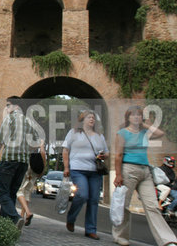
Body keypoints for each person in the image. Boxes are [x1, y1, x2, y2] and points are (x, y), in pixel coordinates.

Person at [113, 105, 177, 246]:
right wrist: (118, 174)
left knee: (153, 206)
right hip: (128, 170)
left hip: (145, 171)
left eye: (139, 115)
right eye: (133, 115)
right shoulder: (122, 133)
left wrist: (144, 125)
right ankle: (120, 236)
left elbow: (160, 133)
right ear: (128, 117)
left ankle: (167, 240)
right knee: (124, 204)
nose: (136, 117)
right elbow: (118, 155)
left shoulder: (144, 133)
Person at [0, 96, 41, 229]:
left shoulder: (10, 119)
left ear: (16, 106)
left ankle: (15, 217)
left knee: (2, 193)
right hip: (23, 163)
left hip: (9, 160)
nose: (6, 108)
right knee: (11, 194)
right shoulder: (28, 122)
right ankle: (4, 225)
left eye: (8, 105)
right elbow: (36, 144)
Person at [62, 109, 109, 240]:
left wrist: (104, 155)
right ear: (82, 119)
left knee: (94, 200)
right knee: (82, 194)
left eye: (93, 117)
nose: (92, 119)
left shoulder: (100, 136)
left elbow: (107, 152)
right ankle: (71, 218)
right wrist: (66, 167)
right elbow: (65, 150)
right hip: (77, 169)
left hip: (95, 171)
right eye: (89, 117)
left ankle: (91, 229)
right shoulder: (73, 133)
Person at [16, 139, 46, 226]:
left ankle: (28, 212)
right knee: (27, 192)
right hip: (35, 168)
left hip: (27, 165)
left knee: (19, 191)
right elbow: (43, 153)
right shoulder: (40, 139)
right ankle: (22, 216)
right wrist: (43, 170)